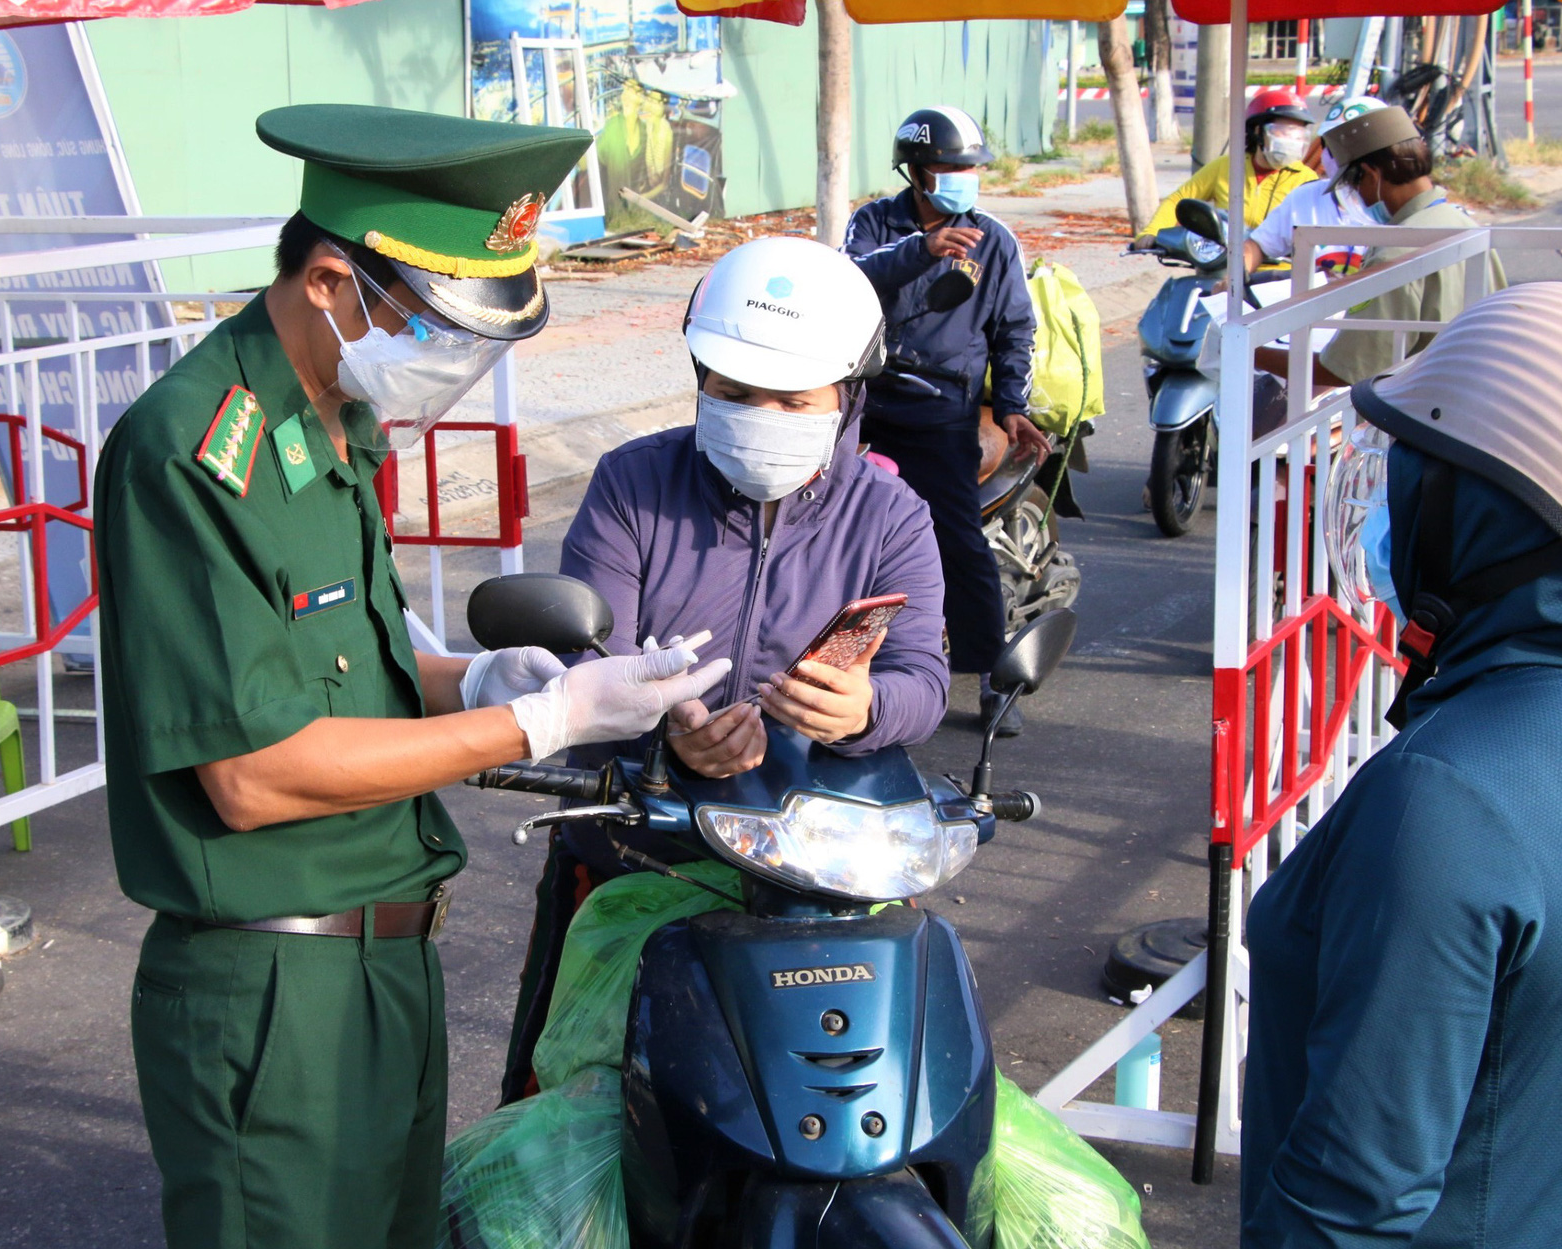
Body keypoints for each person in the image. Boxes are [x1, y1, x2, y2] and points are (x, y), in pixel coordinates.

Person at [93, 104, 729, 1249]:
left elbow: (347, 670)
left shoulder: (336, 421)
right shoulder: (193, 452)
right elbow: (253, 769)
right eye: (438, 327)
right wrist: (539, 723)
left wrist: (475, 680)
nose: (459, 362)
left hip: (387, 963)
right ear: (333, 281)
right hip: (272, 984)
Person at [1244, 281, 1562, 1247]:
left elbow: (1349, 1200)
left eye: (1416, 478)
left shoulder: (1447, 800)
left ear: (1495, 520)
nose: (1387, 502)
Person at [499, 234, 951, 1103]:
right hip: (636, 844)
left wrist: (862, 707)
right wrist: (670, 730)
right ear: (699, 378)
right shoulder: (632, 485)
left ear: (846, 399)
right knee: (578, 1108)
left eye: (791, 399)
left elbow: (924, 681)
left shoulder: (891, 516)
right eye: (735, 392)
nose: (761, 415)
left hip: (821, 874)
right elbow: (586, 655)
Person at [842, 105, 1043, 733]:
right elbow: (848, 285)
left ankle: (991, 672)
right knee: (828, 526)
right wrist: (920, 251)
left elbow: (1015, 331)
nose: (962, 177)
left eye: (970, 168)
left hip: (941, 410)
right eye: (948, 167)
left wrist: (1010, 406)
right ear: (916, 172)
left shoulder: (996, 241)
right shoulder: (875, 223)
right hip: (867, 400)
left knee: (956, 542)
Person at [1258, 105, 1506, 388]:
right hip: (1474, 394)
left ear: (1371, 174)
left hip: (1422, 407)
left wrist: (1251, 352)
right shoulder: (1464, 225)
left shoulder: (1395, 253)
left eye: (1353, 185)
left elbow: (1345, 369)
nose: (1358, 196)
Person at [1132, 88, 1317, 252]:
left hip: (1279, 275)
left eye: (1298, 135)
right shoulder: (1227, 167)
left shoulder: (1306, 180)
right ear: (1258, 131)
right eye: (1284, 132)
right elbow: (1179, 199)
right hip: (1223, 266)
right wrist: (1153, 231)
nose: (1292, 141)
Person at [1234, 94, 1385, 283]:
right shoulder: (1305, 198)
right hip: (1310, 310)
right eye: (1331, 145)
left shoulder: (1395, 203)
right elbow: (1257, 245)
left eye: (1351, 146)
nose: (1337, 154)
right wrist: (1234, 278)